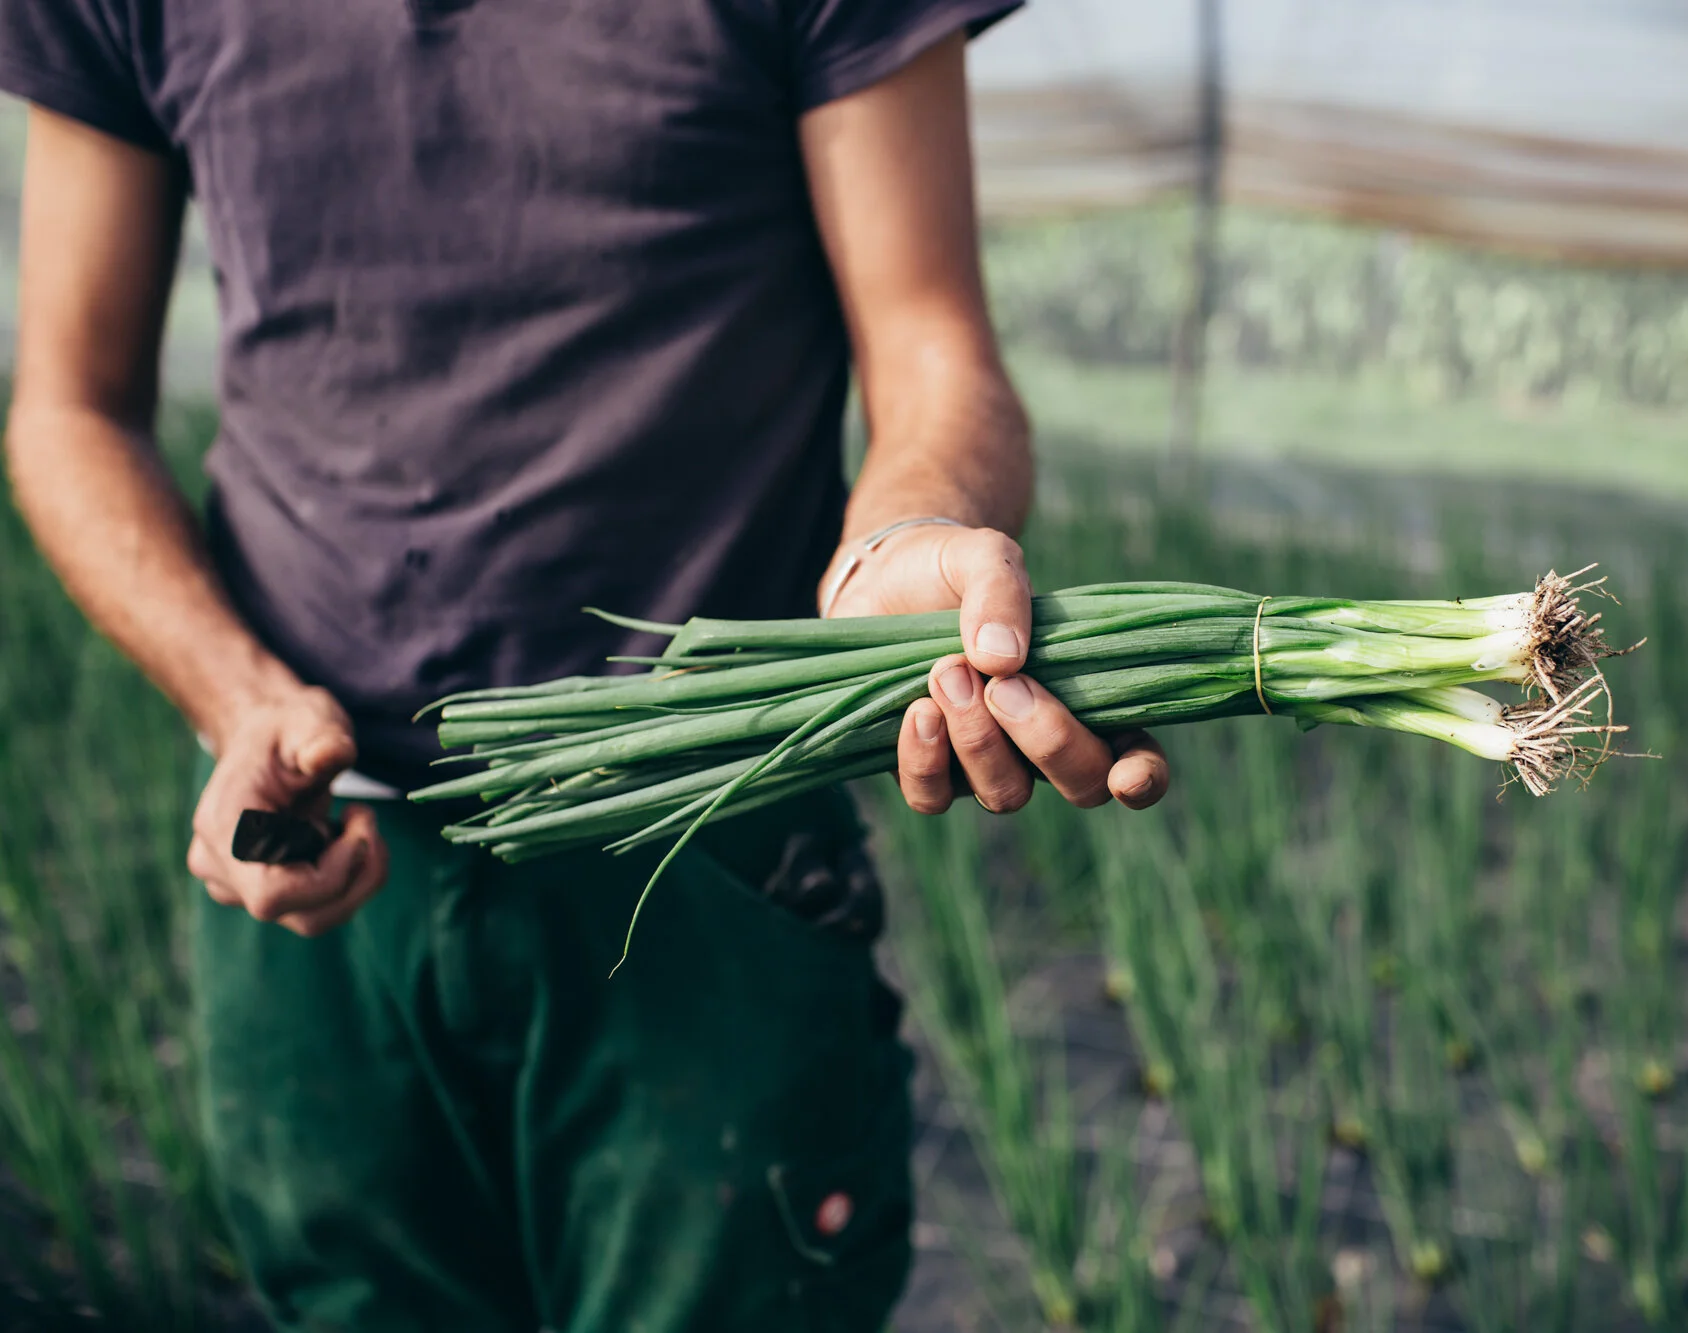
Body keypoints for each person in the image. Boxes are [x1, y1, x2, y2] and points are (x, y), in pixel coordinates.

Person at [0, 2, 1171, 1328]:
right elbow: (70, 405)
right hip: (316, 857)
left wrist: (899, 545)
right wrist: (231, 694)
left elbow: (934, 356)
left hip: (708, 841)